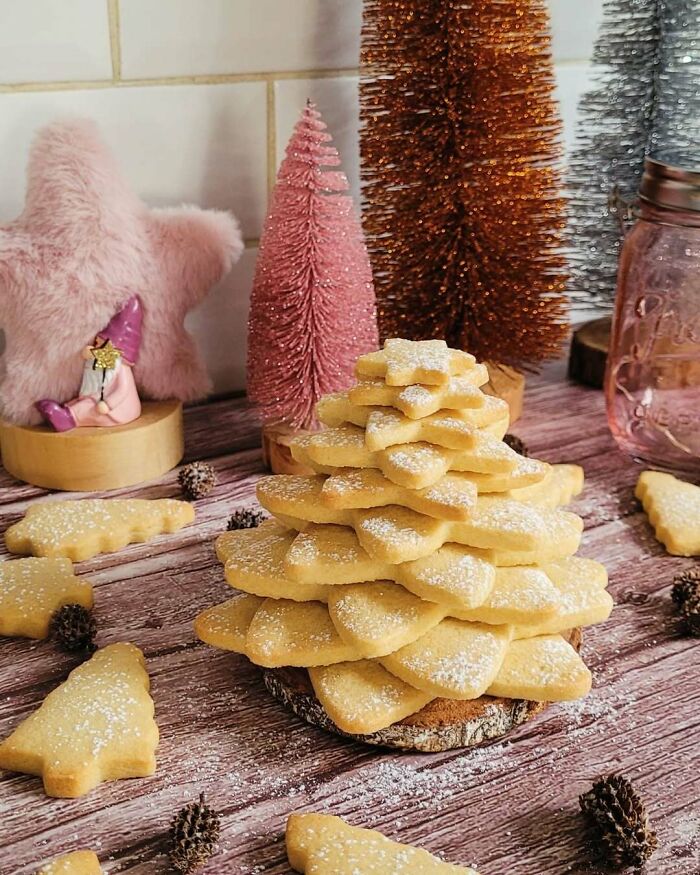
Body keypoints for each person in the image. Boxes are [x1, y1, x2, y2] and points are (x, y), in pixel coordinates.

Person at [36, 296, 143, 432]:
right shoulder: (100, 361)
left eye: (100, 344)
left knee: (86, 409)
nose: (96, 346)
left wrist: (108, 404)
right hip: (96, 399)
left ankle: (66, 419)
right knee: (82, 405)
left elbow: (122, 389)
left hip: (115, 411)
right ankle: (65, 413)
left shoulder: (120, 368)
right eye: (96, 342)